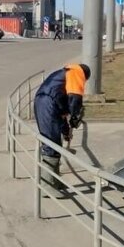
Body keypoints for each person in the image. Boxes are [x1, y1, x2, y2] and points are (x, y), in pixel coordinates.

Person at [33, 63, 90, 196]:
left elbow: (62, 112)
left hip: (47, 103)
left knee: (55, 143)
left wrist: (66, 130)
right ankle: (48, 186)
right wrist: (75, 117)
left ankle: (54, 180)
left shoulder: (64, 77)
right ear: (85, 75)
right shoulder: (77, 73)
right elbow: (75, 99)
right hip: (47, 104)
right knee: (51, 144)